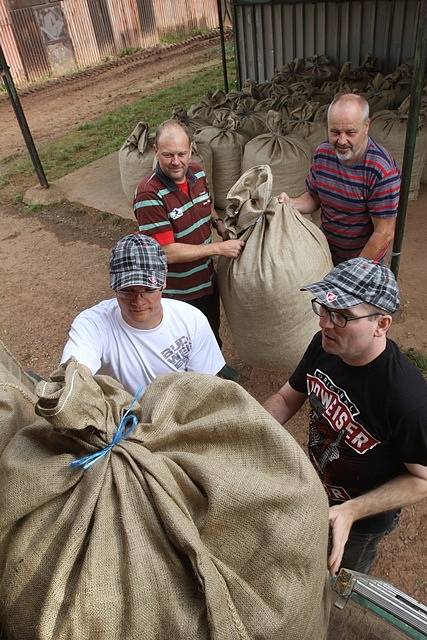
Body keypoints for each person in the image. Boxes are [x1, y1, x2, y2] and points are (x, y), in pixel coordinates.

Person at [262, 257, 427, 575]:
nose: (325, 323)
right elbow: (285, 398)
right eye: (323, 308)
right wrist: (248, 431)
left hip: (363, 518)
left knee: (338, 577)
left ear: (381, 324)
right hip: (318, 486)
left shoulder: (407, 399)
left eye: (342, 316)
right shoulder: (325, 346)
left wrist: (352, 511)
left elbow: (422, 479)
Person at [133, 119, 245, 380]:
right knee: (183, 342)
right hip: (177, 290)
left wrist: (219, 224)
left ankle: (215, 365)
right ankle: (196, 387)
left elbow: (206, 206)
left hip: (204, 279)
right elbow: (167, 251)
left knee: (209, 328)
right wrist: (218, 248)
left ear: (191, 150)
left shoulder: (197, 174)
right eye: (168, 155)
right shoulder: (149, 194)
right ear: (155, 151)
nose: (176, 162)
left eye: (181, 154)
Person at [61, 234, 225, 395]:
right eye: (127, 291)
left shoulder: (192, 321)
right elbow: (75, 372)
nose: (138, 301)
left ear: (164, 282)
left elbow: (205, 388)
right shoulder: (93, 324)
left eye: (148, 290)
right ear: (114, 286)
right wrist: (73, 386)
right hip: (122, 417)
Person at [278, 94, 401, 265]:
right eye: (335, 132)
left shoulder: (380, 170)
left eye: (350, 132)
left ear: (366, 126)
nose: (342, 141)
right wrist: (290, 203)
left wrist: (352, 271)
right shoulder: (323, 154)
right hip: (326, 253)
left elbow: (384, 233)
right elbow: (314, 197)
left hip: (363, 262)